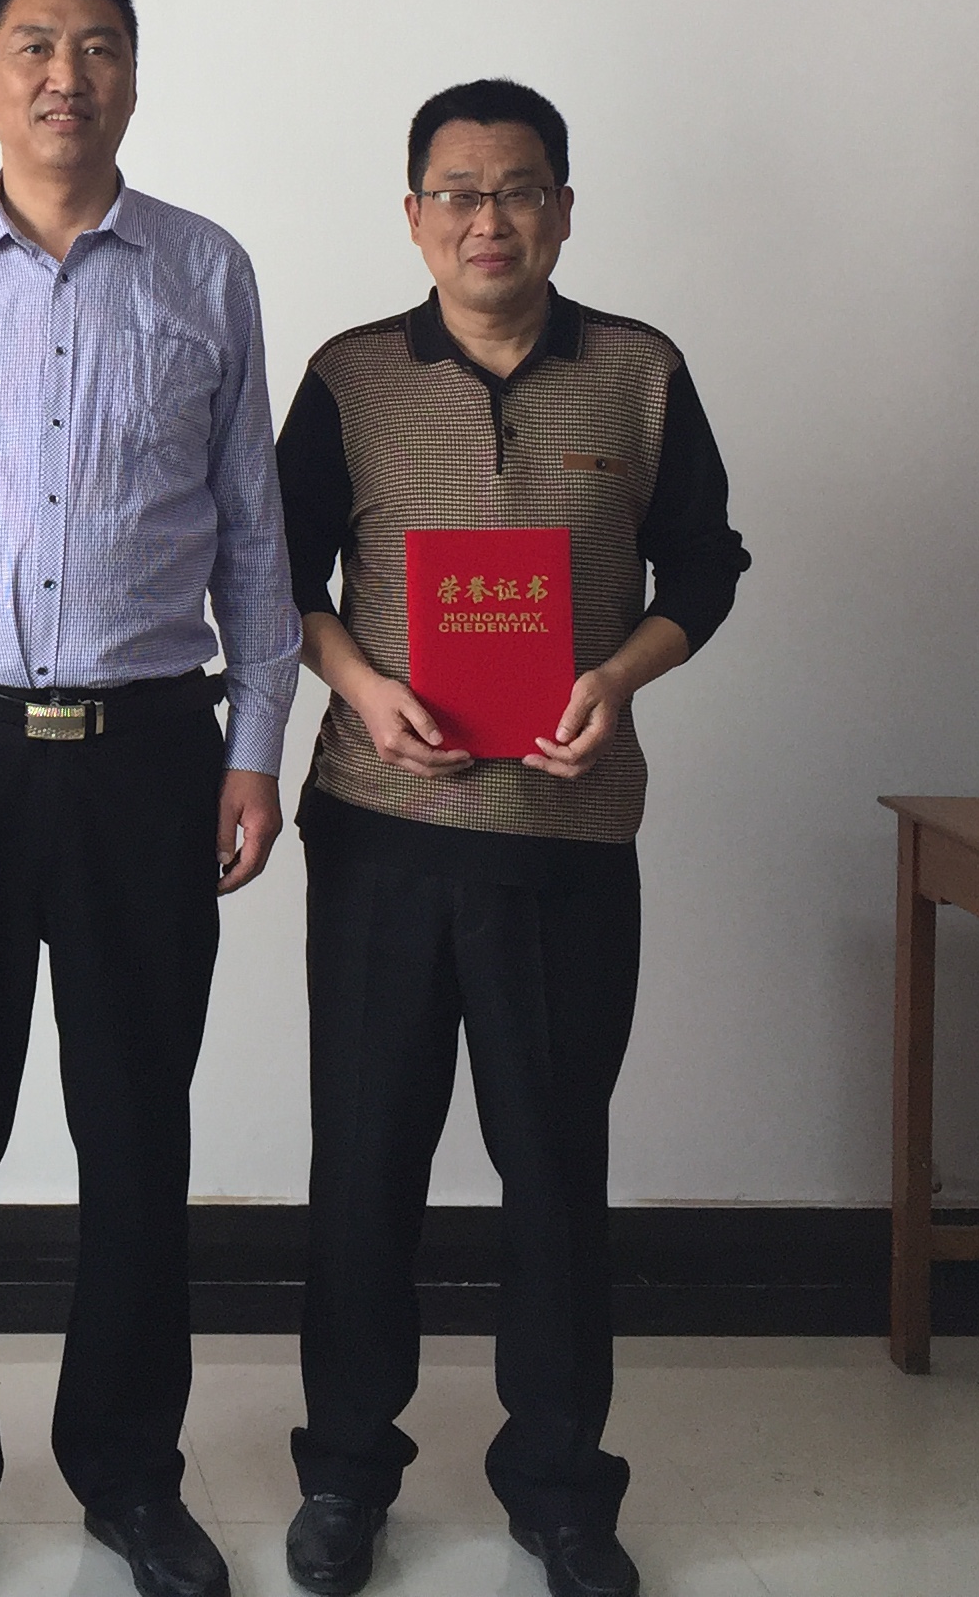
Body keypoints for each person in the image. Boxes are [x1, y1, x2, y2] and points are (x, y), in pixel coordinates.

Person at [0, 0, 300, 1597]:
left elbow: (253, 527)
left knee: (135, 1132)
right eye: (33, 47)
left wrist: (256, 746)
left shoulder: (205, 268)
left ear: (133, 80)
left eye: (98, 48)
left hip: (147, 758)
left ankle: (129, 1473)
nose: (65, 74)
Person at [273, 79, 748, 1597]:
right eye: (459, 193)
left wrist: (618, 676)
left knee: (553, 1171)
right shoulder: (351, 376)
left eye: (520, 190)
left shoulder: (639, 371)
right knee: (366, 1170)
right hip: (383, 833)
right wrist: (361, 685)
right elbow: (276, 573)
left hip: (564, 840)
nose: (490, 220)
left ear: (563, 209)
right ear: (414, 215)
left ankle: (560, 1483)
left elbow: (707, 566)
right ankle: (346, 1472)